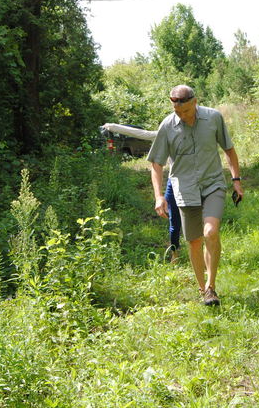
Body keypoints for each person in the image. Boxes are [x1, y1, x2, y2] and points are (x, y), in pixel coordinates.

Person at [147, 85, 244, 306]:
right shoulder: (167, 126)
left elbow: (229, 149)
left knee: (210, 232)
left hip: (212, 184)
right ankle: (203, 291)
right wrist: (158, 196)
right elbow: (156, 164)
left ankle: (212, 286)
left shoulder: (213, 118)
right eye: (177, 111)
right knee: (193, 242)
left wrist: (236, 180)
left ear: (195, 102)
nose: (181, 115)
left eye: (186, 111)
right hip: (184, 189)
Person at [101, 123, 183, 261]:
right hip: (174, 182)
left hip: (195, 182)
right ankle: (175, 254)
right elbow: (142, 134)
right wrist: (113, 127)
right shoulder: (166, 133)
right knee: (173, 221)